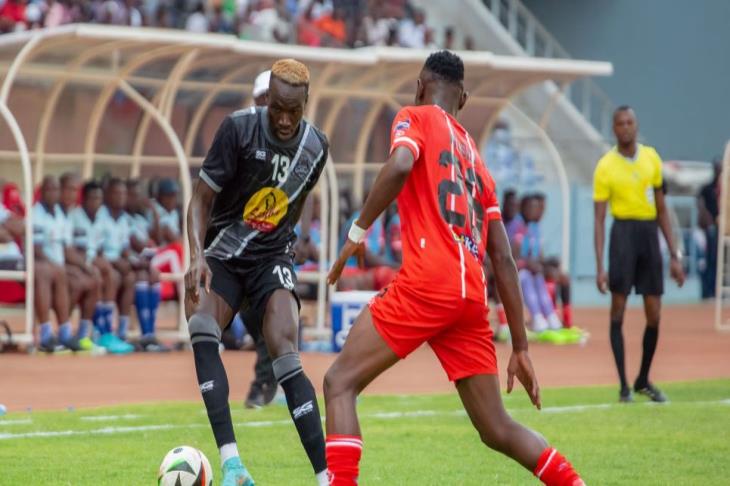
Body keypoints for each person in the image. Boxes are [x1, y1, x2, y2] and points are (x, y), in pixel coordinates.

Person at [324, 51, 583, 486]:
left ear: (420, 85)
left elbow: (402, 162)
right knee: (496, 428)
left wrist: (357, 231)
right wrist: (520, 346)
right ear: (463, 98)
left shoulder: (415, 116)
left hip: (429, 281)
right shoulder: (477, 162)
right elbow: (503, 257)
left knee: (339, 382)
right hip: (470, 298)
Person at [185, 58, 329, 486]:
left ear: (306, 103)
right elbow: (199, 201)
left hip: (270, 260)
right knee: (201, 326)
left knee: (286, 351)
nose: (284, 119)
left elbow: (296, 201)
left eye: (294, 111)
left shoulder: (316, 148)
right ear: (267, 101)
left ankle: (326, 478)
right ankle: (232, 465)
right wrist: (196, 255)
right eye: (277, 109)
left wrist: (287, 242)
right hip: (224, 254)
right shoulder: (237, 129)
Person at [593, 105, 685, 403]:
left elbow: (661, 210)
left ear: (636, 125)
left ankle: (643, 379)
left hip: (648, 237)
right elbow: (598, 219)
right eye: (620, 123)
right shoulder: (605, 166)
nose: (626, 127)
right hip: (622, 236)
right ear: (614, 129)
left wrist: (674, 255)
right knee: (617, 310)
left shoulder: (652, 159)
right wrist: (599, 266)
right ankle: (623, 386)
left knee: (654, 314)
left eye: (630, 122)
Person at [241, 69, 280, 409]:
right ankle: (276, 376)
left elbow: (305, 192)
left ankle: (263, 385)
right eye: (259, 97)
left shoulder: (290, 140)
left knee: (270, 314)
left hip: (274, 247)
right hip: (240, 247)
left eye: (267, 97)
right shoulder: (241, 136)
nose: (262, 103)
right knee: (252, 319)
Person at [70, 181, 134, 354]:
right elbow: (78, 250)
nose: (96, 202)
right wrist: (93, 263)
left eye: (98, 198)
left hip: (92, 260)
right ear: (83, 199)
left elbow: (98, 248)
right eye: (92, 198)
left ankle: (105, 332)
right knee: (103, 274)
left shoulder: (99, 218)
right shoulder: (76, 217)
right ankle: (95, 333)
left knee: (111, 275)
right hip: (78, 261)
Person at [59, 173, 101, 352]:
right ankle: (63, 334)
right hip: (59, 264)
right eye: (68, 189)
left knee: (95, 281)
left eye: (74, 190)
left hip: (70, 264)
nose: (71, 194)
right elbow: (66, 251)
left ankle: (83, 335)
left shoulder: (68, 212)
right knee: (78, 283)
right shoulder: (67, 214)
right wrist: (85, 266)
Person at [697, 158, 721, 299]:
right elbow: (699, 202)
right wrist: (707, 219)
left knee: (719, 260)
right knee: (710, 259)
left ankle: (717, 290)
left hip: (723, 228)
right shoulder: (707, 188)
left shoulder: (724, 188)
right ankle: (708, 291)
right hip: (711, 228)